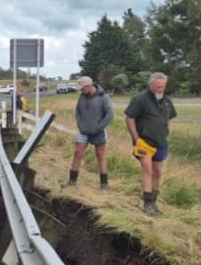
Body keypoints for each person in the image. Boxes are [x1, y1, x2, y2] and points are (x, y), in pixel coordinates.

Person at [125, 72, 177, 215]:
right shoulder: (139, 99)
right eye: (158, 86)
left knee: (158, 172)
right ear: (151, 85)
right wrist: (136, 138)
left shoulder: (167, 101)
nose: (160, 89)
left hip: (161, 142)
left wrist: (166, 130)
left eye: (163, 86)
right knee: (148, 170)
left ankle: (154, 203)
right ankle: (147, 205)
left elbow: (168, 118)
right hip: (144, 142)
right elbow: (129, 118)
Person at [67, 76, 114, 190]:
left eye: (82, 88)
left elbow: (109, 115)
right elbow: (78, 111)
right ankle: (72, 181)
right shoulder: (82, 97)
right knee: (78, 153)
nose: (81, 91)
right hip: (83, 131)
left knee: (100, 155)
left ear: (89, 86)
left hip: (98, 132)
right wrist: (80, 124)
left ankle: (104, 184)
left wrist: (98, 127)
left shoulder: (103, 97)